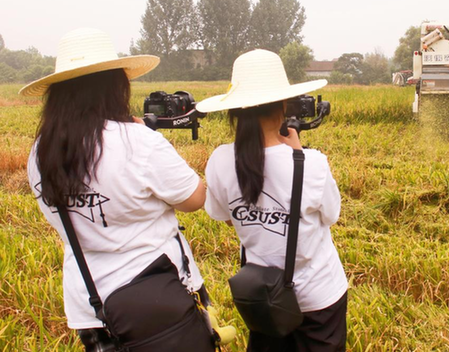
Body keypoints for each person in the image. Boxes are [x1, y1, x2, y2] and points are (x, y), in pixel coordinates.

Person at [21, 28, 211, 351]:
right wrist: (150, 138)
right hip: (159, 302)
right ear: (114, 86)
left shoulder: (40, 152)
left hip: (91, 308)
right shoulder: (136, 141)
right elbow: (196, 197)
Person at [198, 49, 348, 352]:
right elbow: (331, 215)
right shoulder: (310, 163)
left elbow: (224, 215)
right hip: (318, 296)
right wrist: (299, 153)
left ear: (235, 111)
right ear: (282, 106)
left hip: (262, 297)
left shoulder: (219, 160)